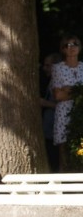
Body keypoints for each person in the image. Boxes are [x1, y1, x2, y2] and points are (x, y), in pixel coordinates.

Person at [51, 34, 83, 172]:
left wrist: (68, 90)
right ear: (63, 49)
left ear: (80, 48)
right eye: (67, 45)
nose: (71, 48)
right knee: (64, 154)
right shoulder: (57, 68)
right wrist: (78, 91)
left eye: (74, 44)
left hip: (80, 113)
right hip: (64, 113)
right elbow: (58, 95)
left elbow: (64, 93)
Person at [40, 52, 61, 172]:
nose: (44, 68)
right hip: (49, 132)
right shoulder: (51, 81)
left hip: (55, 133)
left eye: (48, 65)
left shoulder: (60, 83)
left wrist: (44, 103)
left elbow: (65, 106)